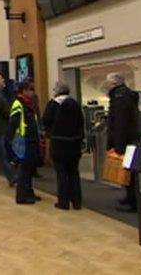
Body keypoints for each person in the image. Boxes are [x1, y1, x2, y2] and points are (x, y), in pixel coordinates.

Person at [43, 82, 84, 210]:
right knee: (73, 172)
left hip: (58, 142)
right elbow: (81, 122)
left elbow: (45, 120)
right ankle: (77, 201)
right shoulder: (75, 104)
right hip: (74, 143)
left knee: (61, 173)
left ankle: (63, 201)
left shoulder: (53, 104)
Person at [106, 73, 140, 212]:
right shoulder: (128, 95)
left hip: (125, 140)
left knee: (128, 171)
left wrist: (118, 144)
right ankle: (130, 197)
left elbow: (120, 122)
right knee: (129, 171)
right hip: (131, 138)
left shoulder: (119, 98)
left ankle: (133, 201)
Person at [9, 81, 42, 204]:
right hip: (22, 140)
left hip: (30, 139)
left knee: (29, 168)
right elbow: (13, 122)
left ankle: (29, 192)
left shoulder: (28, 104)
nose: (32, 92)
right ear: (23, 91)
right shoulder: (18, 104)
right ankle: (22, 195)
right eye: (30, 89)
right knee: (24, 169)